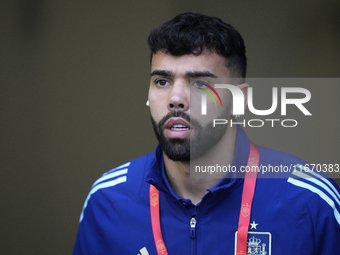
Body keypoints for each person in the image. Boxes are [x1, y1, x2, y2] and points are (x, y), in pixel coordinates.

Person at [73, 13, 340, 255]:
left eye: (200, 83)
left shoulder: (311, 201)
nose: (176, 99)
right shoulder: (108, 200)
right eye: (162, 82)